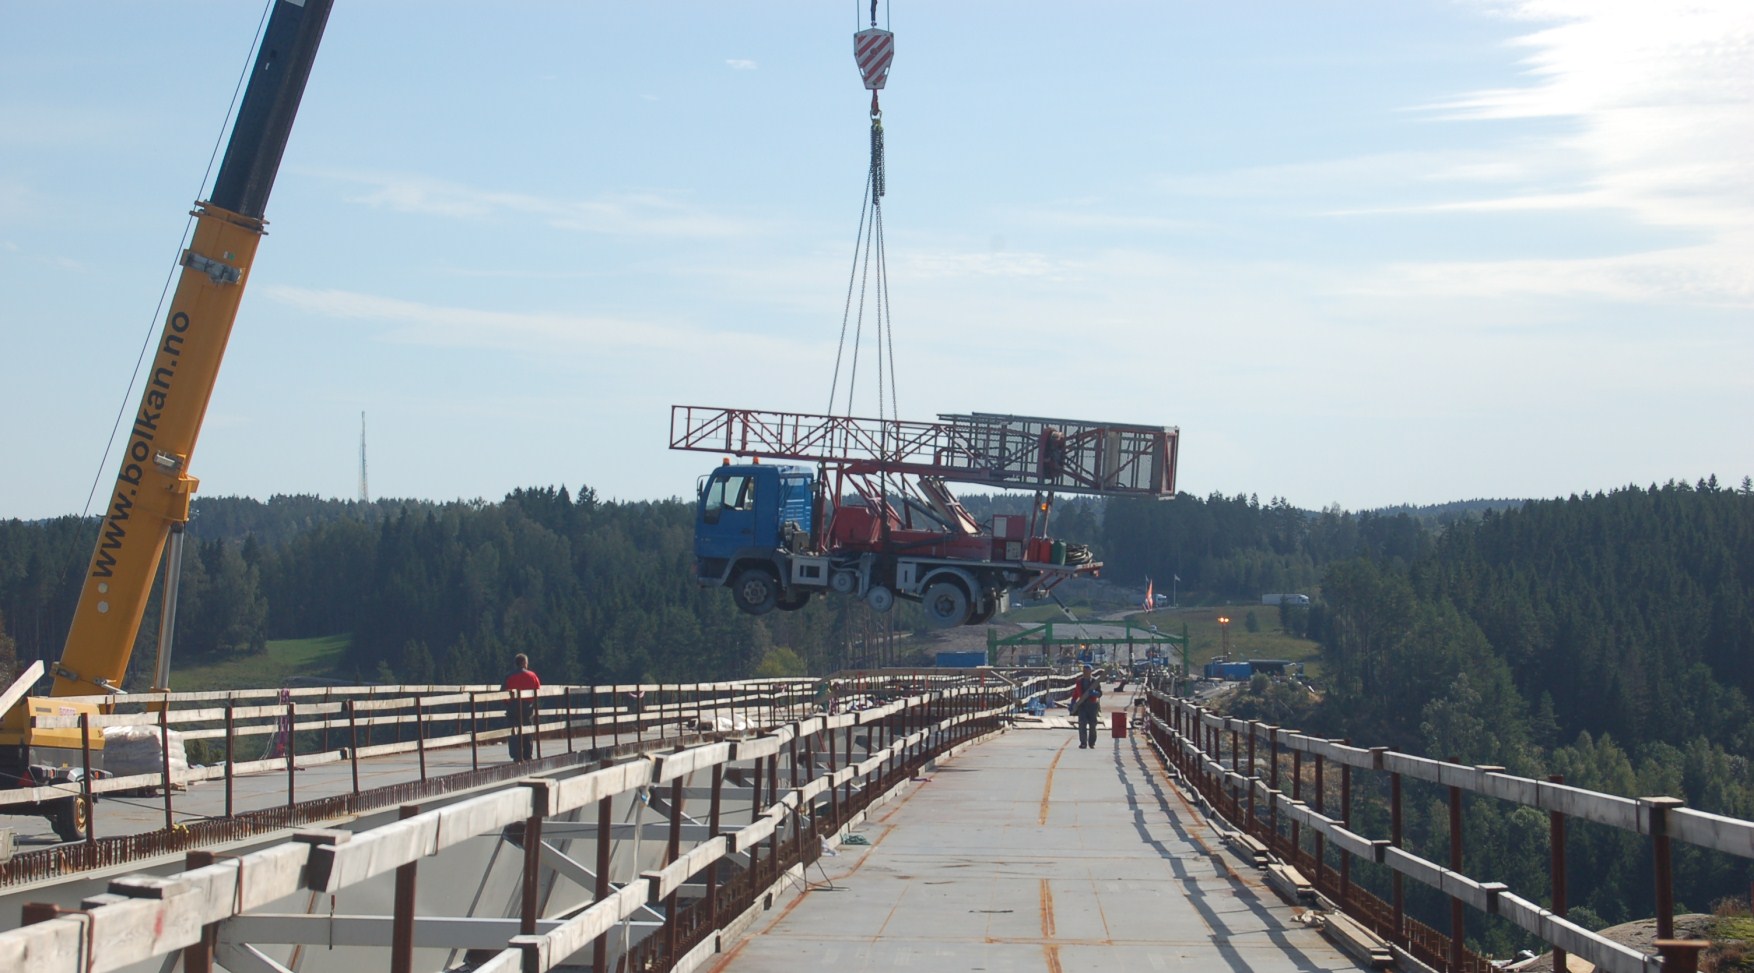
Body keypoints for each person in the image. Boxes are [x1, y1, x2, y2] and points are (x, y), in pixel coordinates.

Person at [502, 653, 541, 761]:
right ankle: (527, 755)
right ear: (524, 663)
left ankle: (516, 756)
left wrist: (507, 704)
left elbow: (503, 692)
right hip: (527, 707)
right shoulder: (532, 675)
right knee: (527, 730)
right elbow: (537, 690)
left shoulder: (509, 676)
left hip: (513, 706)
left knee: (514, 731)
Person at [1073, 663, 1104, 749]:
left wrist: (1095, 693)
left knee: (1092, 724)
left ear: (1091, 672)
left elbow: (1100, 693)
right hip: (1082, 705)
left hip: (1092, 705)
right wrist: (1073, 702)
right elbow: (1076, 692)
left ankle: (1092, 743)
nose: (1085, 672)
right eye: (1084, 671)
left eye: (1087, 671)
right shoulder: (1079, 681)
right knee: (1082, 723)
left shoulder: (1095, 682)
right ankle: (1083, 743)